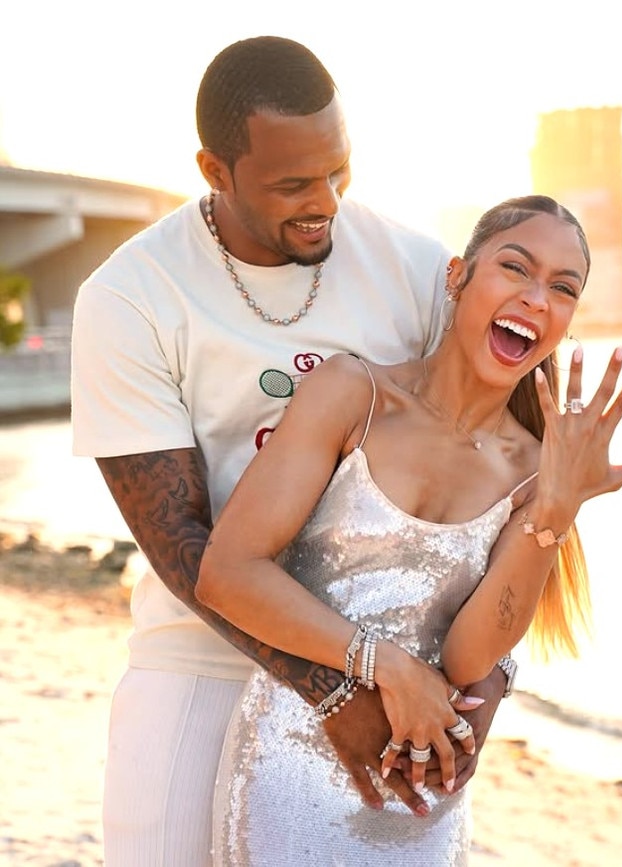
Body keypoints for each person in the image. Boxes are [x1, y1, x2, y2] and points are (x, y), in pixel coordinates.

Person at [72, 36, 505, 865]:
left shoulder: (416, 269)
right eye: (293, 185)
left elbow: (485, 468)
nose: (327, 203)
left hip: (390, 681)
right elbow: (182, 542)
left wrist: (478, 687)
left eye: (339, 172)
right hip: (197, 665)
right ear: (214, 170)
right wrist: (332, 684)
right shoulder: (130, 297)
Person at [195, 195, 622, 864]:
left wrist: (554, 513)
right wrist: (387, 666)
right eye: (515, 268)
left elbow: (469, 659)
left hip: (420, 798)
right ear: (458, 275)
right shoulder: (354, 394)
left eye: (563, 288)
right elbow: (226, 573)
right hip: (290, 766)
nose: (535, 298)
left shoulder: (535, 472)